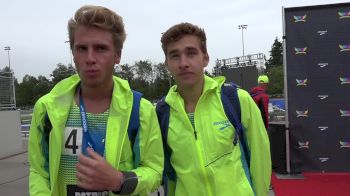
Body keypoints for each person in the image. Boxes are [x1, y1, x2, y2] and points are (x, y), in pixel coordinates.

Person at [28, 5, 163, 196]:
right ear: (73, 53)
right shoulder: (46, 109)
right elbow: (38, 172)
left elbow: (154, 171)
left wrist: (120, 180)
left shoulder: (140, 109)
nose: (90, 58)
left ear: (117, 55)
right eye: (82, 48)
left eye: (100, 48)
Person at [159, 22, 271, 196]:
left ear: (205, 58)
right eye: (175, 55)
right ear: (167, 63)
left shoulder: (237, 100)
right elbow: (169, 175)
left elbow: (260, 160)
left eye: (191, 53)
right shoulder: (162, 113)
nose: (183, 63)